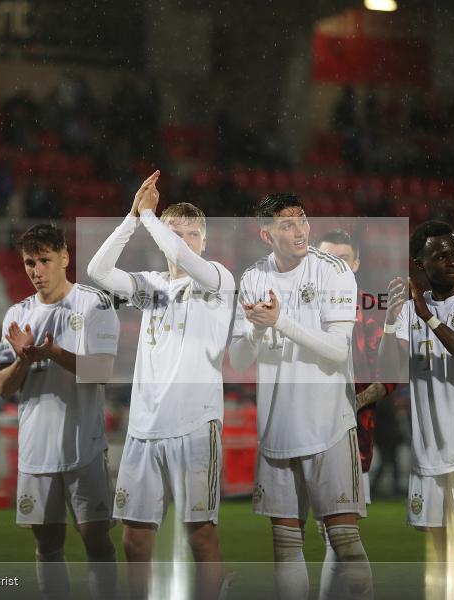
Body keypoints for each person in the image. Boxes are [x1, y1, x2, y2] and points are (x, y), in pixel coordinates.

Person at [87, 170, 234, 600]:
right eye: (177, 234)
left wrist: (153, 219)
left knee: (200, 536)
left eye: (192, 235)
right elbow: (98, 270)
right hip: (144, 430)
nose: (185, 242)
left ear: (204, 242)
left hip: (194, 426)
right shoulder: (150, 287)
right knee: (134, 542)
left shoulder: (217, 281)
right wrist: (134, 217)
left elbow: (185, 261)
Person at [229, 194, 372, 600]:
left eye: (303, 220)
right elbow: (239, 359)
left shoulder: (334, 270)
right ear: (265, 234)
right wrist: (257, 329)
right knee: (286, 548)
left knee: (345, 543)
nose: (300, 231)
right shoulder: (254, 277)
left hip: (328, 421)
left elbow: (339, 350)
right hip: (278, 427)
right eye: (287, 224)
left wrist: (280, 321)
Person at [379, 220, 454, 600]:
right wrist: (390, 320)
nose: (452, 260)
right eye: (440, 255)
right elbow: (388, 372)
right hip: (429, 449)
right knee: (438, 551)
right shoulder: (408, 310)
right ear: (420, 263)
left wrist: (428, 318)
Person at [0, 224, 119, 599]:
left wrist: (54, 353)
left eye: (45, 260)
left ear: (65, 257)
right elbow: (3, 387)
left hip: (85, 446)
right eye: (30, 262)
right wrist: (23, 361)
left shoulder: (94, 303)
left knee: (95, 541)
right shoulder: (18, 314)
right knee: (48, 546)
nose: (37, 271)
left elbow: (103, 372)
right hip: (37, 450)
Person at [317, 229, 394, 600]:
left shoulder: (371, 312)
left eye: (342, 259)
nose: (334, 267)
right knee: (326, 536)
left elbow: (389, 374)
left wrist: (354, 401)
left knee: (341, 535)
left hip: (351, 439)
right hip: (302, 438)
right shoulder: (300, 307)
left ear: (356, 263)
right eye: (327, 259)